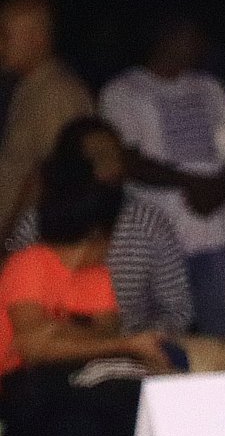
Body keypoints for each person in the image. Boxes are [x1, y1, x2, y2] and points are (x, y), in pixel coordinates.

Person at [0, 175, 172, 436]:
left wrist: (62, 334)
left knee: (91, 414)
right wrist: (118, 344)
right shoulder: (30, 265)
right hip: (16, 391)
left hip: (75, 393)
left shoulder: (97, 278)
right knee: (92, 406)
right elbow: (33, 349)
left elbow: (94, 342)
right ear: (100, 232)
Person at [98, 16, 225, 336]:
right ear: (166, 37)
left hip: (216, 235)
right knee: (161, 341)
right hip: (156, 240)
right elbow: (125, 161)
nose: (200, 45)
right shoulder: (123, 91)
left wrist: (220, 186)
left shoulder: (209, 87)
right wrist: (194, 184)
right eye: (192, 35)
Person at [8, 117, 192, 338]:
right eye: (100, 156)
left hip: (134, 345)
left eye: (117, 154)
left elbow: (177, 309)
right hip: (53, 346)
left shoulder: (148, 221)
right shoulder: (38, 222)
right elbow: (23, 319)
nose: (114, 165)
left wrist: (138, 341)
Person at [0, 0, 95, 237]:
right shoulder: (30, 87)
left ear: (37, 39)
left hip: (30, 241)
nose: (0, 46)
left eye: (5, 35)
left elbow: (54, 178)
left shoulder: (55, 93)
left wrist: (9, 239)